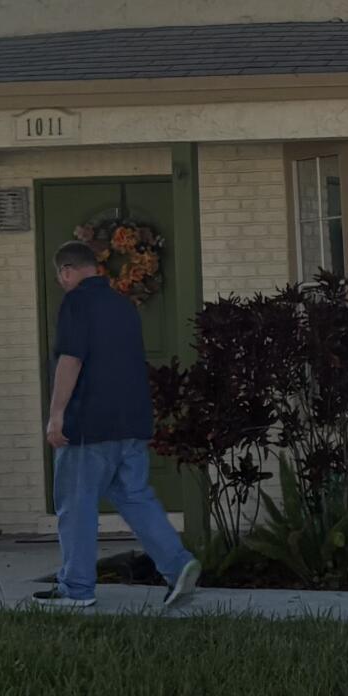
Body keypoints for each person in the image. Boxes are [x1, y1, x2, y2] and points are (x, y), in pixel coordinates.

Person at [34, 238, 202, 610]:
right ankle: (178, 565)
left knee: (76, 506)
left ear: (66, 271)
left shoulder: (77, 301)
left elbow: (71, 359)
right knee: (136, 497)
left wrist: (56, 414)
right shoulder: (124, 307)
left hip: (88, 425)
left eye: (61, 275)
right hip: (131, 422)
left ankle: (76, 588)